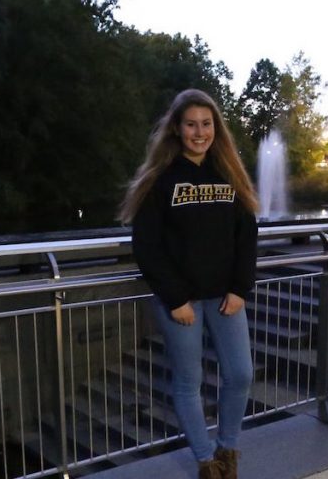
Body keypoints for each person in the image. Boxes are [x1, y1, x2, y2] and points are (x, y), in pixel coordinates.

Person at [118, 89, 258, 479]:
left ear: (217, 128)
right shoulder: (161, 180)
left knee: (240, 374)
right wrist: (176, 297)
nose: (200, 132)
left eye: (206, 124)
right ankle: (206, 462)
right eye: (191, 124)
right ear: (177, 130)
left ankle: (227, 450)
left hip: (225, 297)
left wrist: (239, 288)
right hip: (179, 302)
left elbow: (247, 235)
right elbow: (146, 245)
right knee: (189, 381)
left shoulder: (228, 173)